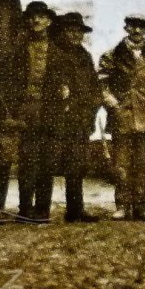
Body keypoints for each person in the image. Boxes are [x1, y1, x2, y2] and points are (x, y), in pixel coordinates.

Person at [98, 13, 145, 220]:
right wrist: (112, 102)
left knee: (143, 164)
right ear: (126, 28)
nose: (137, 30)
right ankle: (122, 205)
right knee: (121, 164)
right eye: (133, 26)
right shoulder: (113, 54)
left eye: (141, 27)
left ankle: (141, 206)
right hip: (122, 115)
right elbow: (102, 83)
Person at [40, 11, 100, 223]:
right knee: (48, 164)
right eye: (70, 30)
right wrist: (58, 95)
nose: (75, 35)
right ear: (62, 31)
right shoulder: (51, 53)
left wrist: (90, 111)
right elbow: (44, 86)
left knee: (76, 166)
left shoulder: (85, 57)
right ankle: (41, 211)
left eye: (79, 31)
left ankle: (75, 210)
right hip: (55, 120)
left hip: (79, 120)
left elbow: (95, 88)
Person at [13, 0, 56, 220]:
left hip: (50, 111)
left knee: (47, 161)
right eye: (32, 17)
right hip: (26, 109)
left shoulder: (57, 50)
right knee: (27, 160)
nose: (36, 20)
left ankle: (42, 209)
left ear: (49, 21)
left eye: (41, 16)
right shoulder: (19, 47)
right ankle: (24, 209)